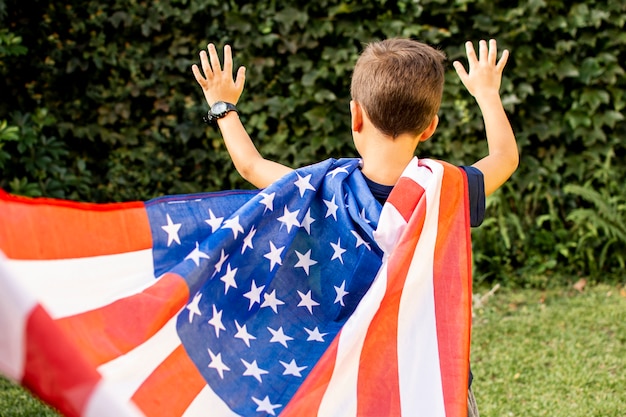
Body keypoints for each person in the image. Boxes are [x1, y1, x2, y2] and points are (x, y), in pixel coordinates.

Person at [192, 37, 518, 417]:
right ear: (430, 127)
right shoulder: (445, 190)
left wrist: (223, 106)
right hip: (431, 383)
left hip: (349, 390)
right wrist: (486, 92)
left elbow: (250, 165)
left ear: (355, 116)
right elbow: (505, 157)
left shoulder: (320, 192)